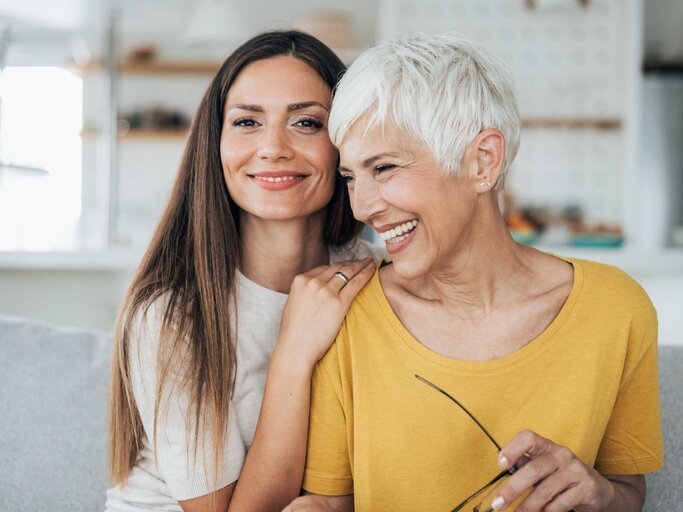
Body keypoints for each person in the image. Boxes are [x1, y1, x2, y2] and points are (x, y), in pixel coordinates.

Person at [287, 34, 663, 512]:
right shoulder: (349, 314)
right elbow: (327, 502)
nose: (362, 205)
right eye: (350, 177)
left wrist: (599, 492)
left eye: (383, 167)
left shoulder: (616, 309)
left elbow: (628, 493)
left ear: (483, 159)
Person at [105, 30, 382, 512]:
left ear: (344, 143)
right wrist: (294, 350)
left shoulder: (373, 279)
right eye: (248, 121)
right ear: (216, 142)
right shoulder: (170, 315)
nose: (273, 147)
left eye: (307, 123)